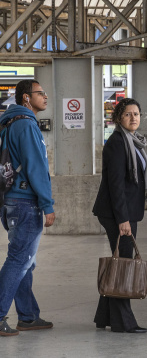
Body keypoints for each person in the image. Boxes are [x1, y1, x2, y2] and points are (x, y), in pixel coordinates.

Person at [93, 98, 147, 334]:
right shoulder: (117, 143)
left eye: (137, 114)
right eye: (128, 114)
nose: (134, 118)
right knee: (124, 265)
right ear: (119, 117)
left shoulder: (134, 142)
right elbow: (115, 184)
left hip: (125, 211)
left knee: (119, 262)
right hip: (117, 213)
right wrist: (123, 219)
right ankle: (123, 322)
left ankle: (104, 316)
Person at [0, 80, 55, 337]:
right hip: (25, 201)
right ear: (25, 98)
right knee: (19, 260)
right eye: (40, 93)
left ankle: (28, 316)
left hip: (11, 200)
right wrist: (47, 204)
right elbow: (36, 169)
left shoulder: (9, 123)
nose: (45, 97)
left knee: (25, 261)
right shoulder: (26, 125)